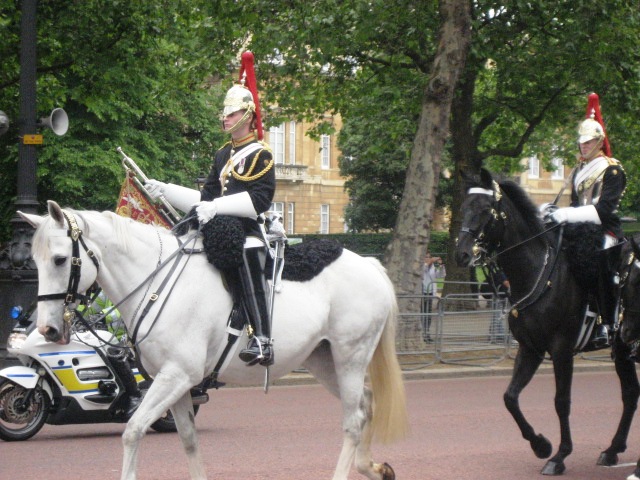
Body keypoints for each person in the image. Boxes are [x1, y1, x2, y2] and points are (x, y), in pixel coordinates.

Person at [144, 52, 276, 367]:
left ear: (247, 115)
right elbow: (206, 197)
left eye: (231, 115)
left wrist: (214, 207)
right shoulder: (221, 154)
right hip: (217, 224)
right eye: (225, 114)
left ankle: (262, 338)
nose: (224, 119)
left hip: (247, 228)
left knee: (247, 252)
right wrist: (166, 189)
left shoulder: (262, 154)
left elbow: (260, 201)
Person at [547, 93, 626, 349]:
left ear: (599, 142)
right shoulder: (580, 171)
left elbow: (603, 210)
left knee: (602, 264)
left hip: (605, 230)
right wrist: (553, 213)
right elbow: (573, 206)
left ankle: (606, 322)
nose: (583, 145)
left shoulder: (612, 169)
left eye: (588, 141)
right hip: (580, 228)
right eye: (581, 141)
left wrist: (567, 215)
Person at [79, 285, 142, 417]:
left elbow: (124, 309)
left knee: (115, 356)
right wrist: (77, 313)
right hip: (111, 337)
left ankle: (134, 395)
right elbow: (92, 309)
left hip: (129, 338)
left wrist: (103, 315)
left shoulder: (125, 286)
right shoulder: (105, 291)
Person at [422, 252, 445, 343]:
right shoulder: (421, 266)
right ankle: (422, 334)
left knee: (428, 315)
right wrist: (431, 260)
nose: (428, 259)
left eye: (429, 257)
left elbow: (441, 275)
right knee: (422, 314)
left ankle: (427, 334)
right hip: (422, 293)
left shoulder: (433, 268)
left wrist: (441, 265)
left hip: (430, 292)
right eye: (426, 257)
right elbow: (423, 269)